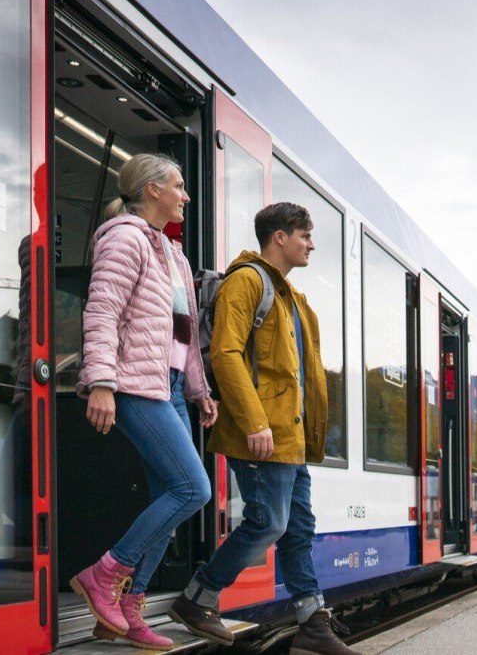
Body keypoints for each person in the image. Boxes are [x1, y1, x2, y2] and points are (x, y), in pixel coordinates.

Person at [169, 202, 356, 655]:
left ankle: (313, 624)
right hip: (260, 434)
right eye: (305, 235)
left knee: (298, 529)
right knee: (268, 521)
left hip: (288, 438)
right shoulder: (247, 282)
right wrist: (254, 421)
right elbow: (227, 354)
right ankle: (197, 598)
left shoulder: (292, 298)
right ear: (280, 237)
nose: (311, 244)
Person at [72, 153, 218, 652]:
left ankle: (124, 614)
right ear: (152, 190)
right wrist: (102, 382)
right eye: (179, 185)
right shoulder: (125, 236)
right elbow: (103, 310)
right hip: (134, 384)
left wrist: (198, 391)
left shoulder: (173, 255)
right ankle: (104, 574)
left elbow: (185, 335)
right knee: (192, 489)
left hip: (170, 386)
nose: (186, 195)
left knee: (169, 498)